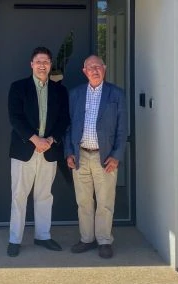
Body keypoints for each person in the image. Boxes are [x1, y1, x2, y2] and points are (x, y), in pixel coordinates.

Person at [7, 46, 69, 257]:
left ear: (50, 65)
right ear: (31, 64)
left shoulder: (60, 90)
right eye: (39, 61)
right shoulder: (18, 87)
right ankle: (14, 239)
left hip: (49, 151)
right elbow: (15, 117)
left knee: (44, 195)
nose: (42, 65)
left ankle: (43, 236)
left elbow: (64, 120)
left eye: (46, 62)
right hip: (24, 149)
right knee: (19, 195)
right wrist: (35, 139)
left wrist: (51, 140)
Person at [65, 55, 128, 258]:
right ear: (84, 71)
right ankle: (87, 239)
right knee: (83, 201)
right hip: (80, 155)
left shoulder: (116, 94)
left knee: (105, 201)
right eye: (90, 67)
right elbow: (68, 127)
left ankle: (104, 240)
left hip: (105, 157)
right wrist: (69, 152)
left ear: (105, 68)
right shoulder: (75, 94)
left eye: (98, 66)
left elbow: (122, 129)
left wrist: (117, 155)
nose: (94, 70)